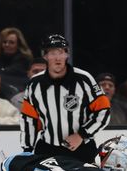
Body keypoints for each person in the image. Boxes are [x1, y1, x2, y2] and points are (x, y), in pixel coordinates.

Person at [20, 34, 110, 163]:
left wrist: (82, 135)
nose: (57, 58)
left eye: (61, 52)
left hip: (81, 150)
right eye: (52, 53)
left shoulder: (84, 79)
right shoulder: (35, 84)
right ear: (45, 56)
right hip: (47, 151)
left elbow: (104, 111)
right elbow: (29, 119)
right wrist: (27, 150)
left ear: (67, 55)